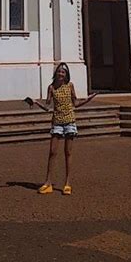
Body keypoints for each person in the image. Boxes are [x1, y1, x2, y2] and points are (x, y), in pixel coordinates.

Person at [35, 62, 96, 195]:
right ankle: (48, 182)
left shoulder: (70, 86)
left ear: (66, 75)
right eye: (59, 72)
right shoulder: (51, 88)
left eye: (63, 72)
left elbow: (76, 103)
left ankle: (67, 183)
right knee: (52, 152)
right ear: (56, 73)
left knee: (68, 153)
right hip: (57, 121)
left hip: (69, 121)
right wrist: (36, 103)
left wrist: (88, 100)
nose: (61, 74)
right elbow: (47, 106)